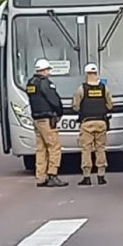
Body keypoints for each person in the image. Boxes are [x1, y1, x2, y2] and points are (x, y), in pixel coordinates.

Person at [27, 59, 68, 188]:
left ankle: (40, 177)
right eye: (48, 70)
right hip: (47, 119)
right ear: (44, 70)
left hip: (36, 119)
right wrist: (60, 112)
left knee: (41, 149)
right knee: (54, 147)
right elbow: (54, 100)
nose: (49, 72)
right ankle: (52, 175)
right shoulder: (45, 83)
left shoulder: (31, 83)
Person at [72, 63, 113, 186]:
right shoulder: (104, 88)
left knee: (86, 149)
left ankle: (87, 177)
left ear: (86, 74)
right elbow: (110, 105)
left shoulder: (81, 89)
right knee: (100, 148)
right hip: (101, 122)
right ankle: (101, 176)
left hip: (87, 123)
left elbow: (75, 106)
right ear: (97, 74)